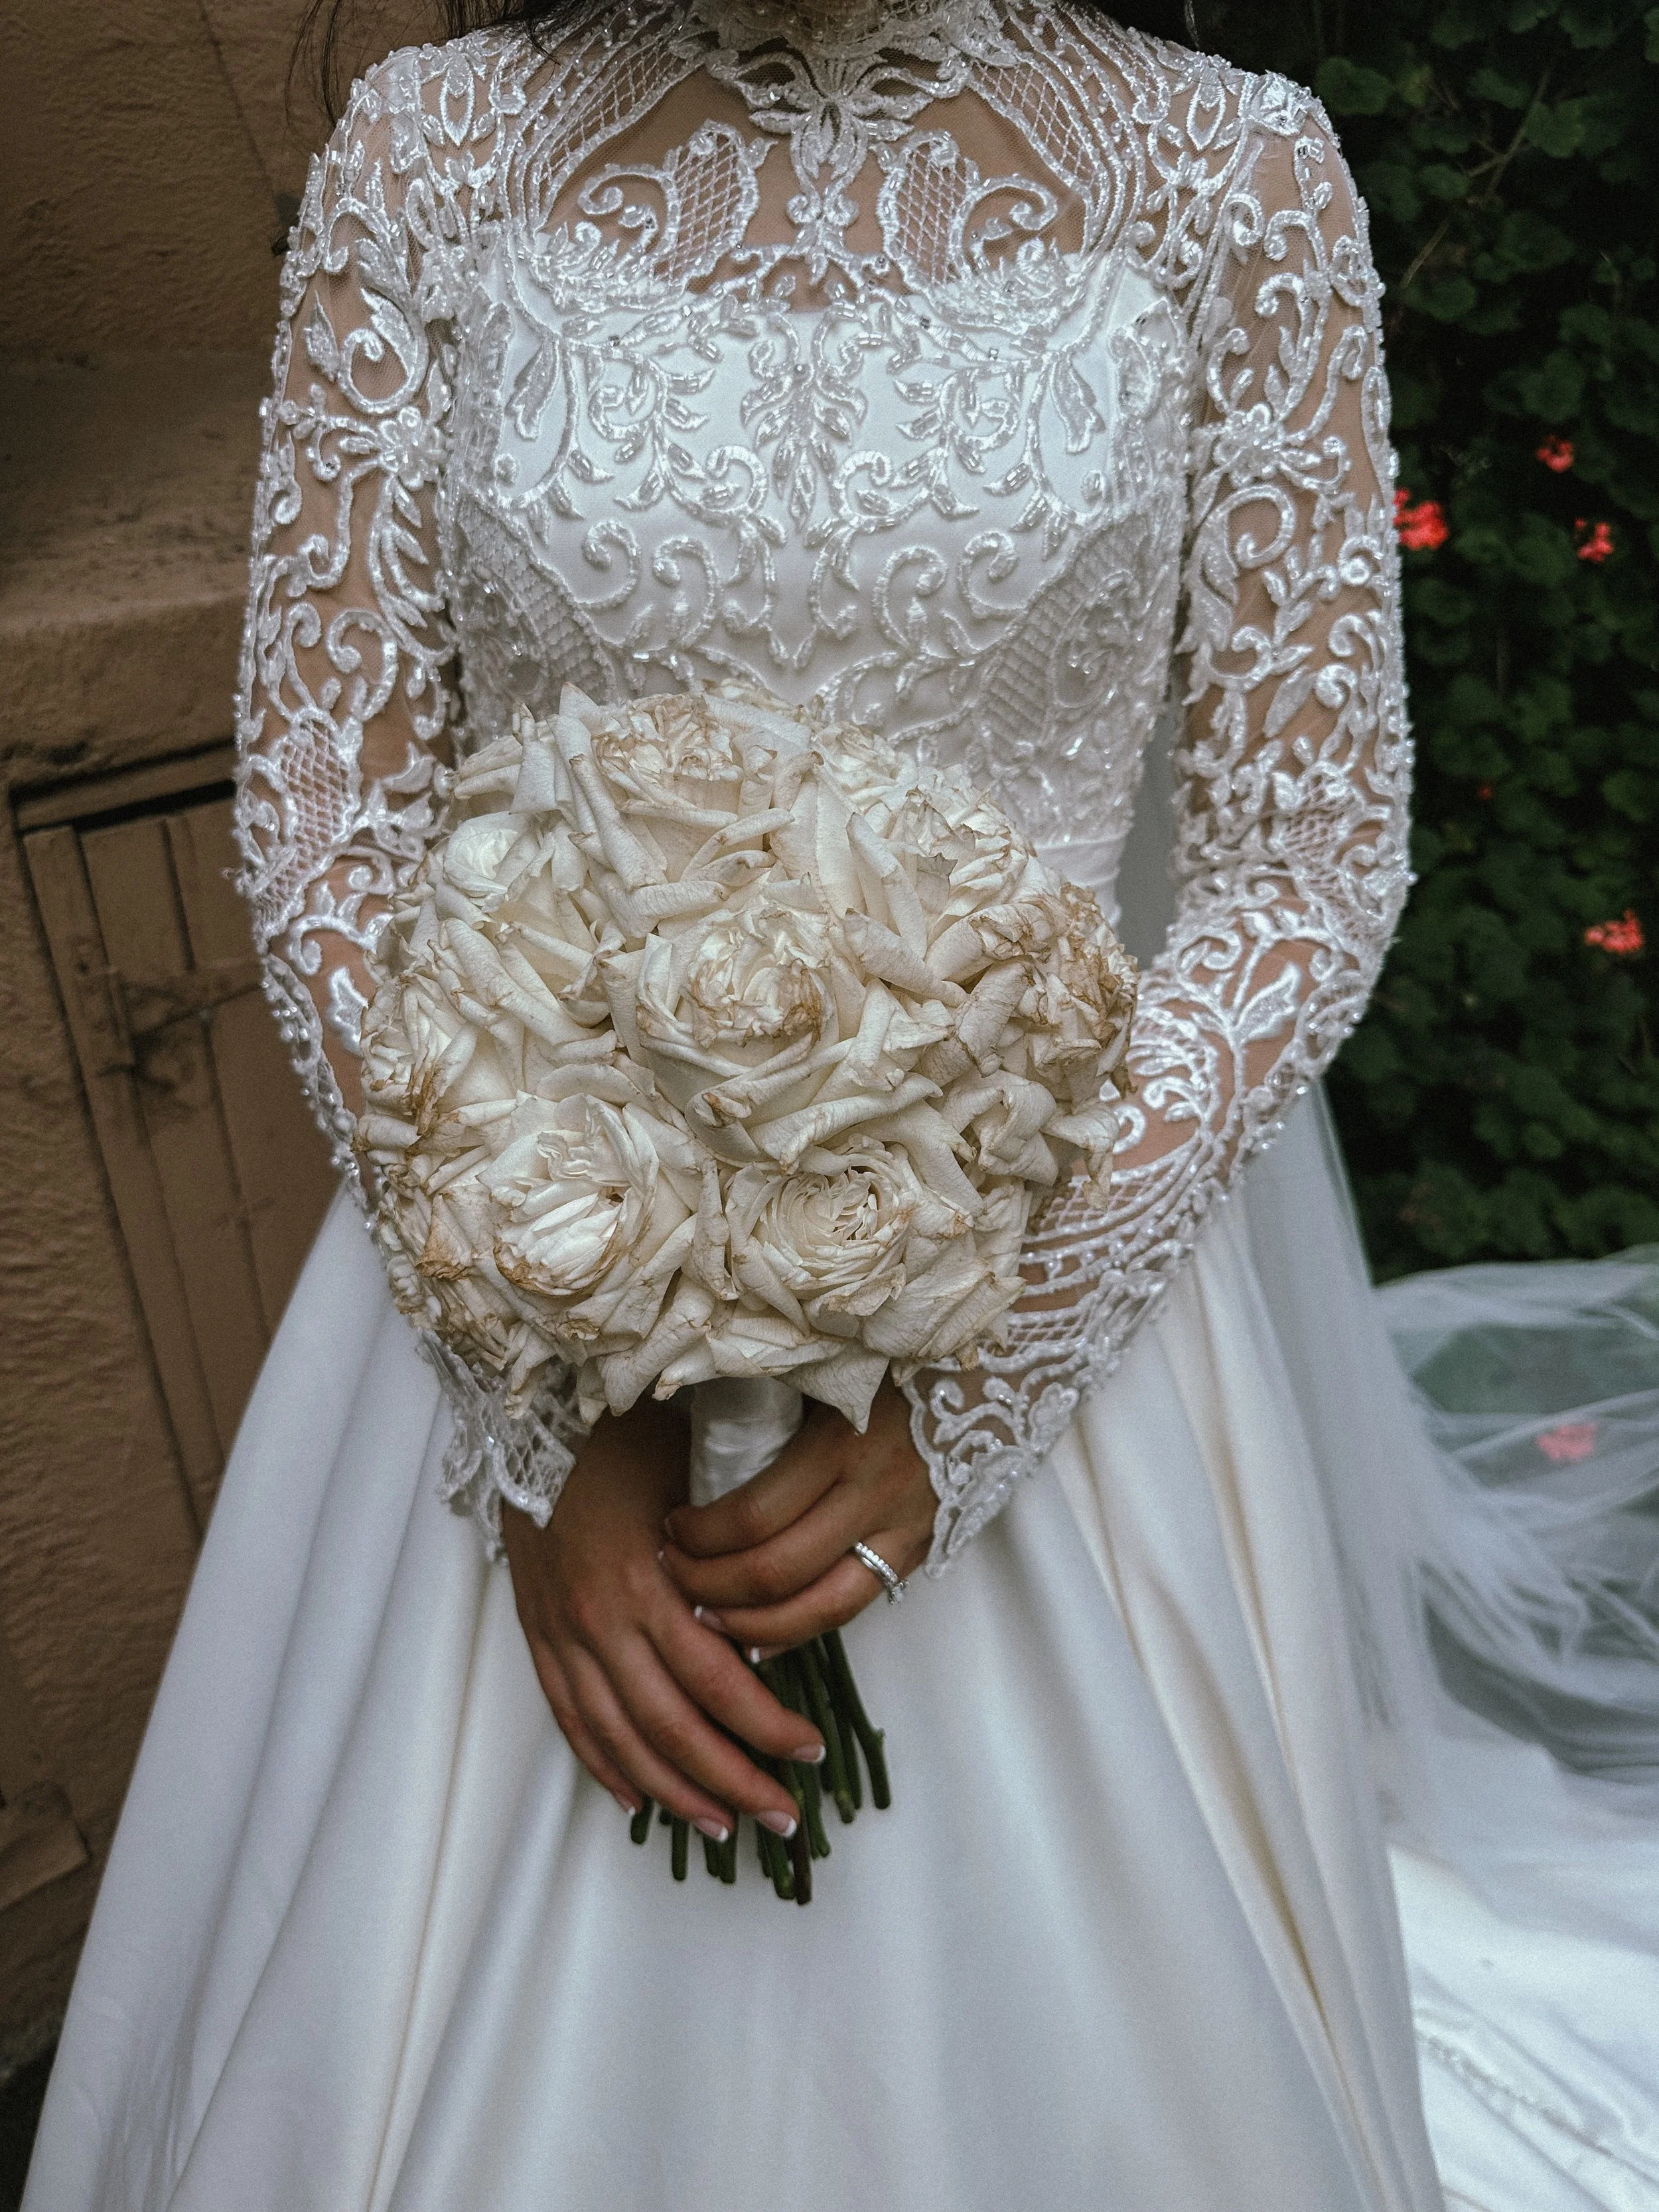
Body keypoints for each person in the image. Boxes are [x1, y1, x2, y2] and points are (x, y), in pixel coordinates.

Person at [23, 4, 1659, 2207]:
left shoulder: (1224, 174)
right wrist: (543, 1401)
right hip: (507, 1316)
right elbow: (329, 830)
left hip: (1045, 1330)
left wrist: (967, 1384)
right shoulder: (428, 160)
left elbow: (1302, 857)